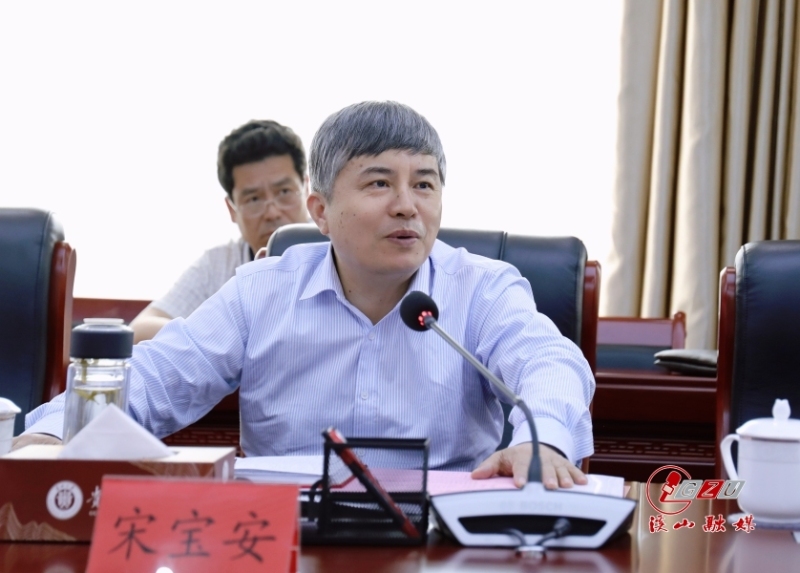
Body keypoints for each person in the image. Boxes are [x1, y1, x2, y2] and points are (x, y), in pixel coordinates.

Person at [19, 101, 594, 490]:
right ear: (320, 210)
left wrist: (542, 439)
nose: (406, 205)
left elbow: (549, 361)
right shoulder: (262, 292)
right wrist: (52, 431)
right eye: (379, 183)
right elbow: (159, 377)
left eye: (424, 183)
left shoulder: (482, 287)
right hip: (286, 535)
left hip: (440, 541)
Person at [129, 120, 310, 343]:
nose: (272, 212)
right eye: (254, 199)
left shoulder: (339, 251)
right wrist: (224, 337)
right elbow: (140, 329)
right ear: (232, 209)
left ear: (307, 189)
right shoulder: (217, 266)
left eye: (284, 192)